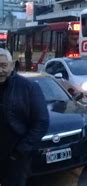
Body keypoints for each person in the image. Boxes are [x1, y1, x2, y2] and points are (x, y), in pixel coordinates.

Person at [0, 48, 49, 186]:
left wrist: (20, 151)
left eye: (3, 65)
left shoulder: (28, 87)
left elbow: (41, 122)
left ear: (11, 65)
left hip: (16, 158)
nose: (0, 70)